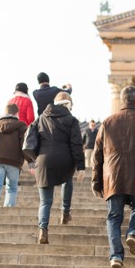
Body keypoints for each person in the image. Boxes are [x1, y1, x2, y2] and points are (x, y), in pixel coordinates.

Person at [92, 85, 135, 268]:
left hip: (113, 177)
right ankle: (133, 233)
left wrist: (96, 182)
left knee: (114, 217)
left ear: (123, 101)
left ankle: (116, 256)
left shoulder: (107, 122)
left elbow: (97, 155)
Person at [29, 92, 85, 243]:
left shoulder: (41, 118)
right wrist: (81, 167)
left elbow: (31, 140)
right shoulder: (71, 120)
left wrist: (31, 160)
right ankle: (65, 213)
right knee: (67, 180)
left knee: (45, 201)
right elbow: (76, 144)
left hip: (43, 160)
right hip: (65, 159)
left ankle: (43, 229)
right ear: (68, 105)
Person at [0, 103, 28, 208]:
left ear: (5, 112)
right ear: (17, 113)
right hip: (14, 161)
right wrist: (30, 160)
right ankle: (9, 206)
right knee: (12, 187)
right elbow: (24, 144)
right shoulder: (21, 126)